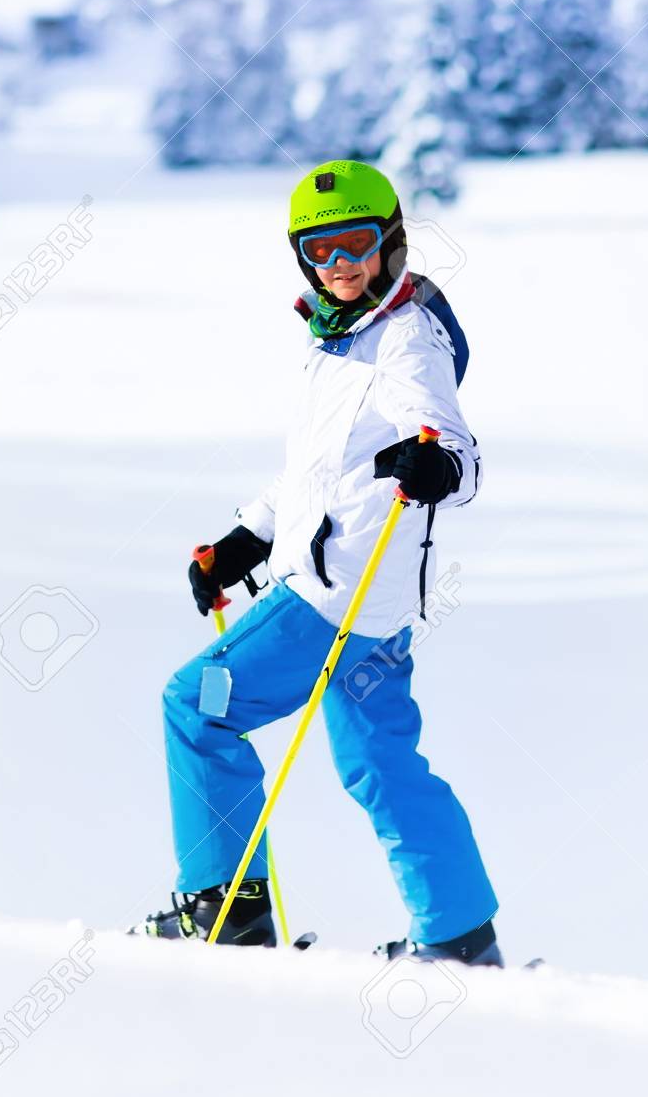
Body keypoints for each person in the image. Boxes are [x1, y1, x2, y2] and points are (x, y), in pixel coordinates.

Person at [131, 161, 500, 966]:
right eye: (319, 250)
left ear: (391, 242)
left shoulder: (405, 335)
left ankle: (224, 912)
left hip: (334, 593)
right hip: (370, 597)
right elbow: (319, 471)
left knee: (196, 707)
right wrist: (246, 538)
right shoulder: (340, 337)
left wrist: (437, 466)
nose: (339, 266)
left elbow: (455, 449)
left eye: (356, 246)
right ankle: (460, 934)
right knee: (380, 762)